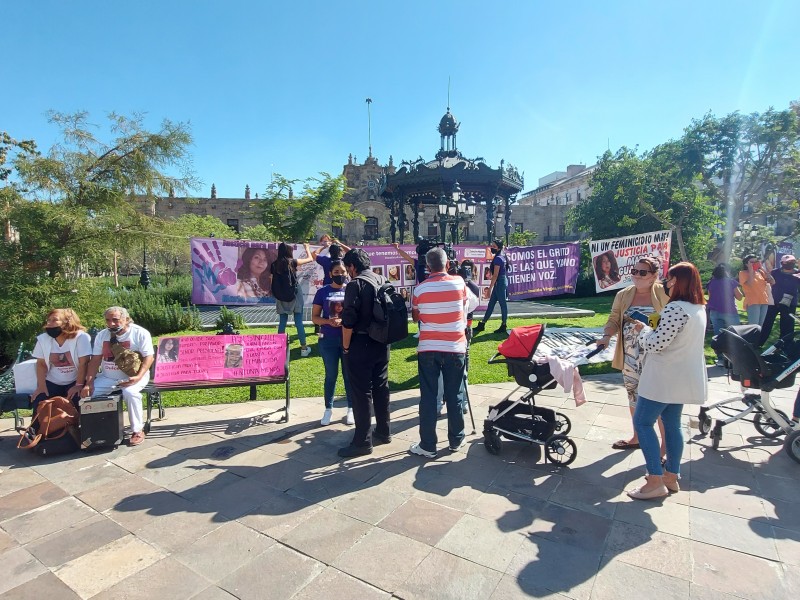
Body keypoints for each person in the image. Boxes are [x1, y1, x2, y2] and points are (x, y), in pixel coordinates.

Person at [626, 262, 708, 500]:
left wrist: (642, 331)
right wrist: (651, 325)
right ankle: (671, 475)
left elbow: (655, 343)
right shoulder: (698, 308)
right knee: (672, 424)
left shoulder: (676, 308)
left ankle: (654, 480)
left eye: (668, 280)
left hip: (663, 378)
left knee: (642, 423)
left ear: (677, 282)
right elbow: (669, 331)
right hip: (681, 378)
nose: (665, 284)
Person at [597, 257, 670, 452]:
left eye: (642, 272)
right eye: (634, 271)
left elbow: (671, 324)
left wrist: (647, 325)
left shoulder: (664, 293)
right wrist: (606, 336)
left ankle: (664, 447)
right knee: (633, 396)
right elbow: (614, 318)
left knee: (659, 400)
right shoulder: (624, 294)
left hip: (656, 356)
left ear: (654, 276)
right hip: (630, 356)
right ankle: (637, 437)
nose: (636, 275)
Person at [409, 247, 468, 458]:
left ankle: (428, 444)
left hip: (428, 348)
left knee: (428, 397)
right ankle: (456, 439)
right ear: (448, 264)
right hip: (455, 347)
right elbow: (463, 306)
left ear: (427, 267)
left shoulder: (419, 290)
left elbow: (415, 317)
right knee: (455, 395)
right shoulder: (460, 283)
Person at [338, 248, 392, 457]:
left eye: (347, 268)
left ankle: (362, 441)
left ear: (352, 266)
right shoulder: (382, 278)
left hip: (361, 342)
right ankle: (384, 431)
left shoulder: (355, 284)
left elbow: (348, 320)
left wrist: (345, 347)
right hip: (382, 342)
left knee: (361, 393)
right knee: (381, 387)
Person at [82, 307, 154, 446]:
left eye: (115, 320)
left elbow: (149, 357)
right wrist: (88, 383)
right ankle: (98, 431)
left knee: (130, 393)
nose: (111, 324)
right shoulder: (102, 335)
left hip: (135, 376)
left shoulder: (139, 333)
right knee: (88, 394)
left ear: (126, 319)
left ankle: (137, 430)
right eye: (108, 320)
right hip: (108, 377)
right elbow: (95, 360)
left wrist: (138, 377)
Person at [312, 260, 353, 426]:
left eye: (343, 272)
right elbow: (314, 317)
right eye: (336, 272)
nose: (340, 275)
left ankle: (351, 409)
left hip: (347, 338)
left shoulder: (351, 290)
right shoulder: (322, 292)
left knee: (349, 375)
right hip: (328, 339)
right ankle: (328, 409)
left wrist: (344, 320)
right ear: (330, 274)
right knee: (331, 375)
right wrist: (329, 322)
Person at [30, 308, 92, 417]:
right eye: (48, 320)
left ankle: (77, 430)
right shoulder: (43, 339)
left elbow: (84, 363)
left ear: (67, 321)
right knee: (40, 400)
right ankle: (35, 431)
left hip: (75, 380)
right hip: (53, 380)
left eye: (55, 320)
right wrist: (41, 386)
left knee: (77, 399)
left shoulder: (81, 337)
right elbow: (41, 364)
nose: (49, 323)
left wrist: (78, 385)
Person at [271, 242, 314, 357]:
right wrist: (307, 248)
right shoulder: (292, 262)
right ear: (289, 251)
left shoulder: (274, 265)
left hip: (280, 296)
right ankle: (304, 348)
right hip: (295, 294)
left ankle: (279, 348)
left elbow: (272, 281)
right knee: (299, 322)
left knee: (282, 322)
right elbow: (310, 259)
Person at [759, 254, 800, 346]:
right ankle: (758, 343)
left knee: (787, 326)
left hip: (789, 304)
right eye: (788, 262)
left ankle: (784, 347)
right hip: (774, 302)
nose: (790, 263)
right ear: (782, 263)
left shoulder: (798, 273)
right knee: (766, 324)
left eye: (792, 262)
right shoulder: (775, 272)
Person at [706, 264, 743, 365]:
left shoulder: (711, 283)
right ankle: (734, 359)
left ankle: (721, 359)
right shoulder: (731, 282)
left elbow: (710, 296)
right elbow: (739, 297)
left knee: (718, 336)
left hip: (715, 312)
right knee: (735, 335)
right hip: (730, 311)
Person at [473, 239, 510, 335]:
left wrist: (489, 289)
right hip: (501, 281)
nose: (492, 247)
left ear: (498, 247)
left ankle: (504, 325)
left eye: (494, 246)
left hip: (499, 282)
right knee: (491, 304)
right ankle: (482, 323)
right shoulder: (502, 255)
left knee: (502, 304)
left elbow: (495, 275)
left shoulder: (498, 258)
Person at [739, 254, 774, 328]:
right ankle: (750, 339)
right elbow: (750, 283)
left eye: (756, 261)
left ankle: (756, 339)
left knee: (760, 326)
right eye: (752, 262)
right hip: (753, 302)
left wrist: (762, 268)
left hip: (764, 301)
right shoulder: (742, 273)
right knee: (753, 326)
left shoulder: (760, 272)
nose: (755, 263)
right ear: (746, 264)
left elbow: (773, 281)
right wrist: (751, 270)